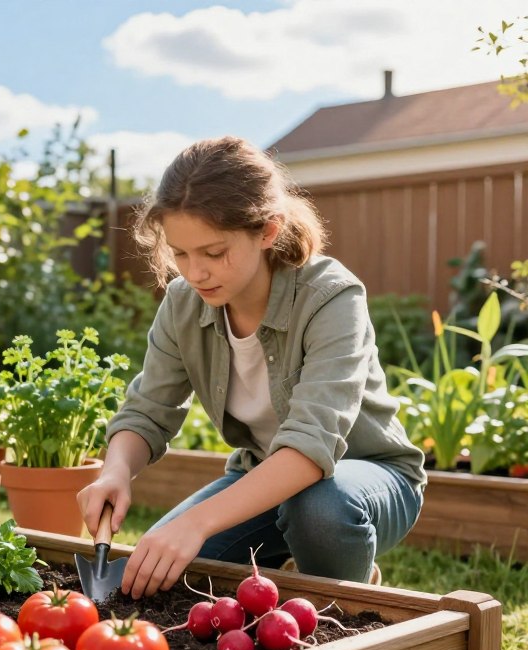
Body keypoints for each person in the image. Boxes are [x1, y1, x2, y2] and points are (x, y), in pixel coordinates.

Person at [77, 136, 426, 600]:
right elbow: (147, 411)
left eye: (214, 253)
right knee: (155, 577)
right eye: (181, 254)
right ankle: (301, 564)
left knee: (319, 508)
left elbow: (310, 446)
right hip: (260, 479)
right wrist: (115, 470)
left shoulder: (331, 297)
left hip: (365, 479)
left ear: (267, 230)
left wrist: (197, 523)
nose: (195, 272)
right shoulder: (184, 302)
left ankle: (344, 595)